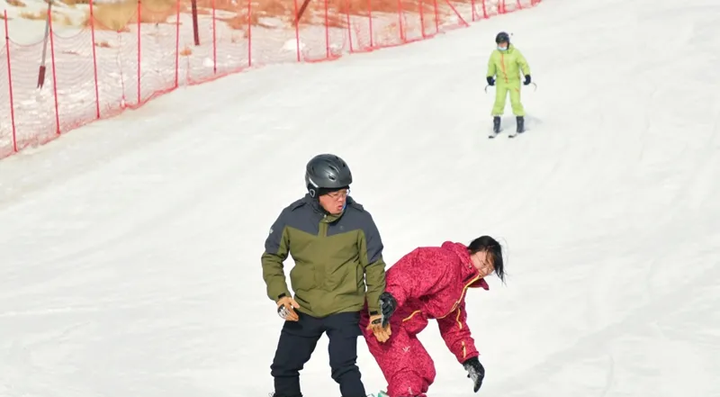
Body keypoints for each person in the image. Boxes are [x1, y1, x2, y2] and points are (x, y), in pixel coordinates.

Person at [261, 153, 388, 397]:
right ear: (314, 192)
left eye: (344, 192)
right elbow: (271, 257)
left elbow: (374, 266)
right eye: (334, 194)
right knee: (283, 367)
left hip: (344, 307)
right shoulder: (292, 217)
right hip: (304, 307)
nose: (341, 200)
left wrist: (375, 311)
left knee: (344, 367)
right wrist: (280, 294)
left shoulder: (360, 221)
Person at [359, 236, 506, 397]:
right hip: (382, 318)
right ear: (471, 252)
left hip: (401, 327)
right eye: (483, 263)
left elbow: (454, 326)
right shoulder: (446, 262)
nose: (483, 271)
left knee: (424, 370)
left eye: (489, 270)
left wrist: (470, 359)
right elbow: (408, 275)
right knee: (406, 376)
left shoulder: (459, 289)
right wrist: (390, 299)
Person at [486, 31, 532, 134]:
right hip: (501, 81)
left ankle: (520, 122)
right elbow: (491, 66)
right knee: (499, 102)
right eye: (499, 44)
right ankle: (496, 123)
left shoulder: (515, 53)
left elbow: (523, 64)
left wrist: (527, 75)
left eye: (503, 43)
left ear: (507, 42)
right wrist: (489, 76)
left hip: (514, 81)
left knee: (515, 102)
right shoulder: (495, 54)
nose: (501, 45)